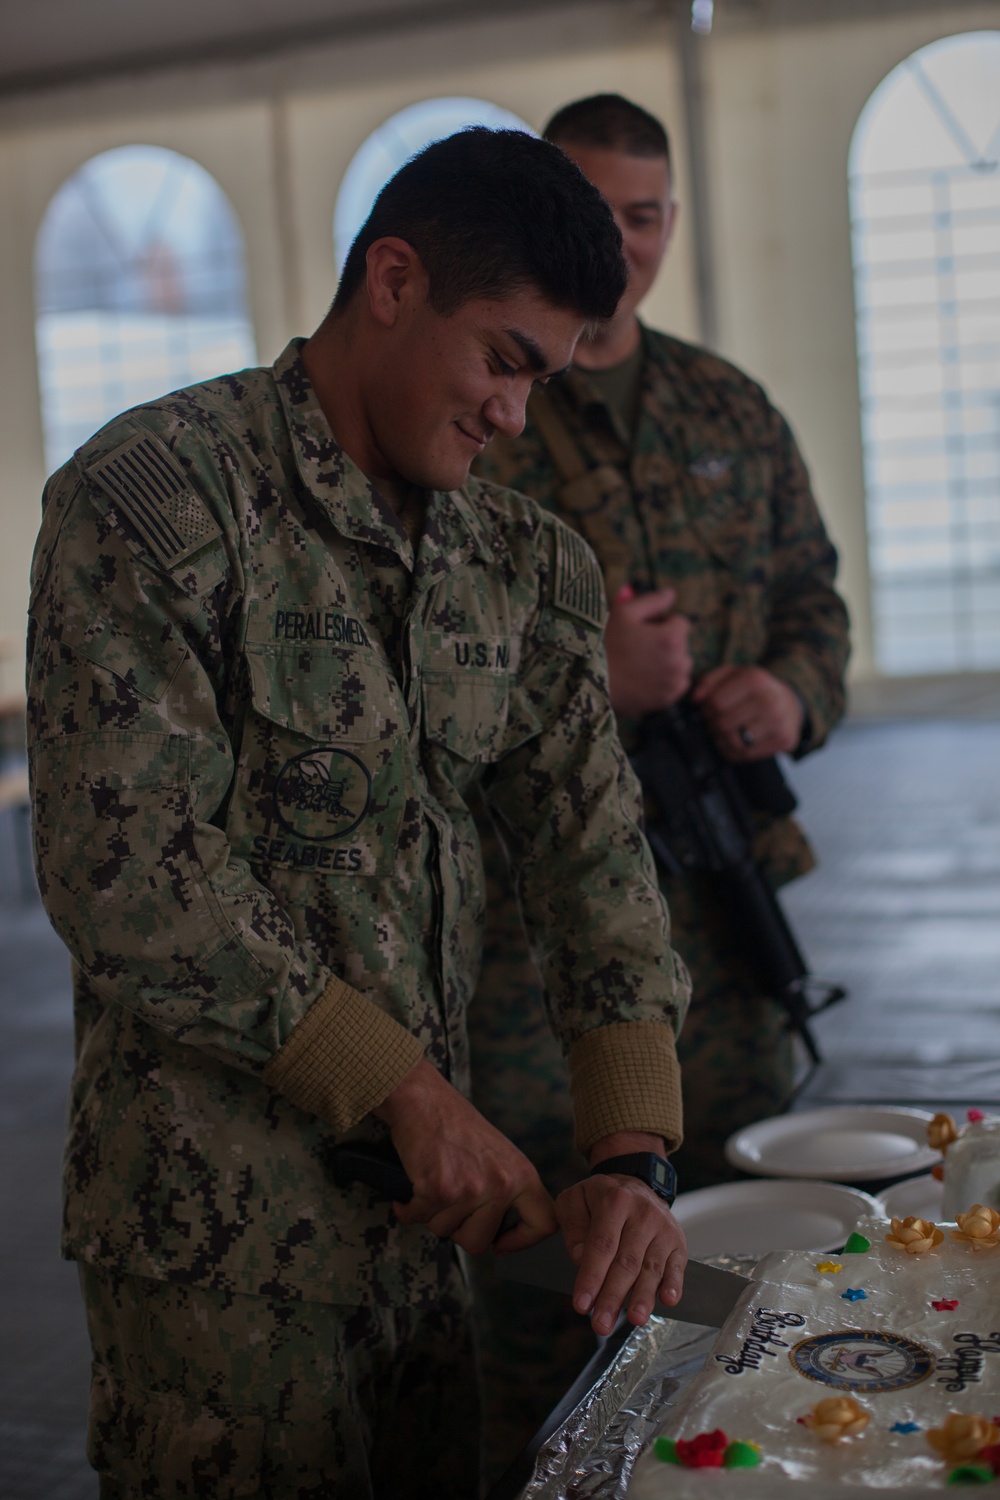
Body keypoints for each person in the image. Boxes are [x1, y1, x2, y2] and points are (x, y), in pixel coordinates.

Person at [26, 126, 693, 1500]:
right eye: (504, 360)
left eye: (546, 379)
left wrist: (630, 1154)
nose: (519, 415)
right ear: (393, 280)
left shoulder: (521, 563)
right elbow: (124, 868)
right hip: (219, 1246)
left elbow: (594, 852)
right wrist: (403, 1089)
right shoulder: (156, 504)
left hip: (427, 1229)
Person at [468, 94, 850, 1474]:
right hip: (529, 953)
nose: (619, 245)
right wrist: (590, 669)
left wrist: (794, 692)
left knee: (748, 1260)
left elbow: (817, 598)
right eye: (592, 211)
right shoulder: (486, 391)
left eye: (643, 218)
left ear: (672, 225)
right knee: (550, 1284)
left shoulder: (726, 408)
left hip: (724, 926)